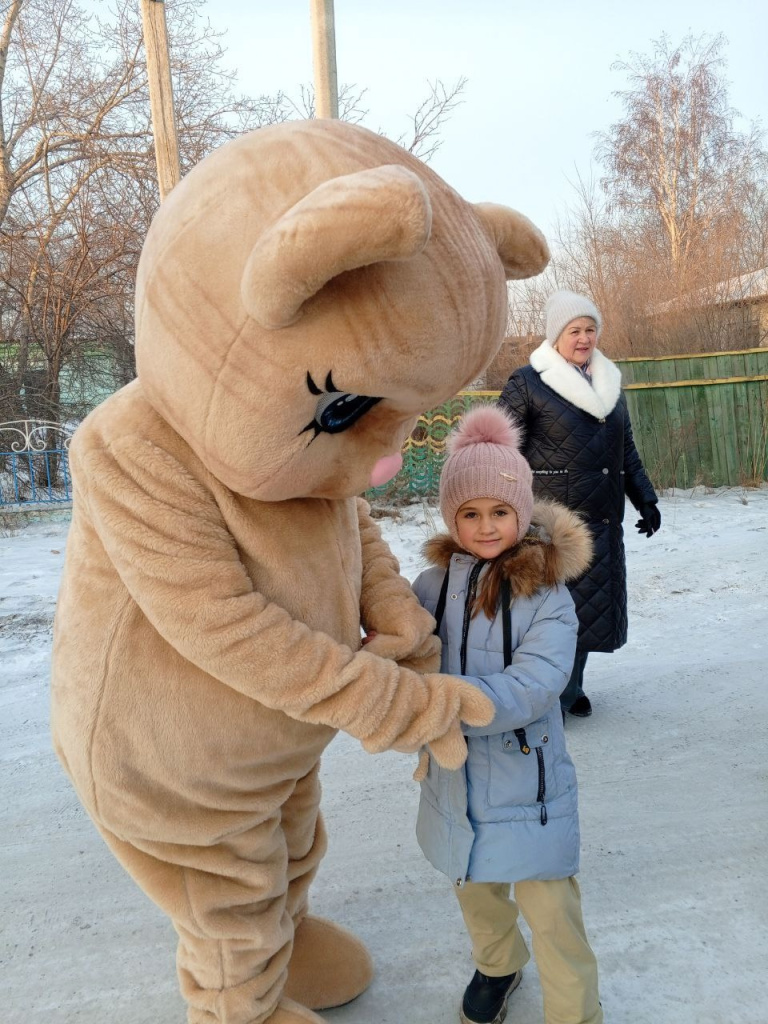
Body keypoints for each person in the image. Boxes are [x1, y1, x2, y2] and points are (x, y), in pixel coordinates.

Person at [411, 405, 602, 1024]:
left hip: (527, 782)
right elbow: (404, 647)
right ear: (451, 517)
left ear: (520, 512)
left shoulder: (546, 593)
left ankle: (576, 1013)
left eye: (500, 511)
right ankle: (498, 966)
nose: (487, 526)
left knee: (552, 913)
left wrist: (442, 701)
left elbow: (538, 683)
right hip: (457, 776)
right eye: (470, 513)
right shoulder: (431, 587)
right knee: (476, 891)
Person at [498, 289, 660, 718]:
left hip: (601, 520)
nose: (584, 337)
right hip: (551, 522)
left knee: (587, 609)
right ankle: (542, 694)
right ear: (556, 335)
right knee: (546, 613)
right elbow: (500, 450)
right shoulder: (528, 383)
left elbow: (625, 449)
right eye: (575, 330)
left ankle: (571, 688)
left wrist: (646, 498)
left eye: (590, 329)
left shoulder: (610, 383)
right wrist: (501, 509)